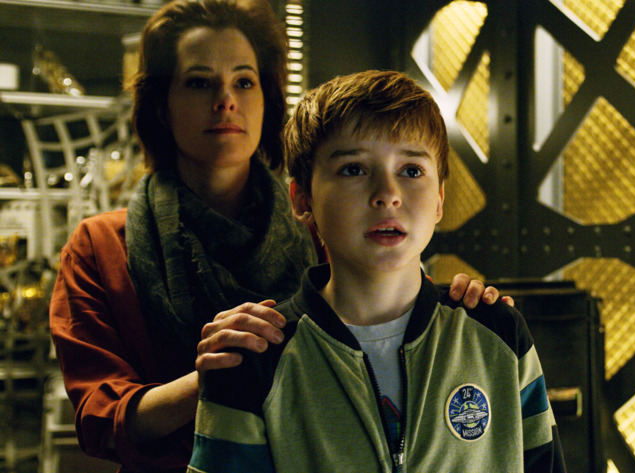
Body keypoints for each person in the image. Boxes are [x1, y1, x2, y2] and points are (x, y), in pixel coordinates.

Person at [48, 1, 506, 472]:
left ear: (267, 98)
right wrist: (220, 377)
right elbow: (101, 420)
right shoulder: (101, 247)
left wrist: (461, 308)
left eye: (244, 82)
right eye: (199, 82)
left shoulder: (327, 220)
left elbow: (396, 337)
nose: (226, 100)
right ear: (162, 105)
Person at [189, 70, 566, 473]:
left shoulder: (497, 335)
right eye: (353, 169)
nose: (388, 194)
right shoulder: (256, 360)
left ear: (439, 199)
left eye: (411, 170)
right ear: (302, 199)